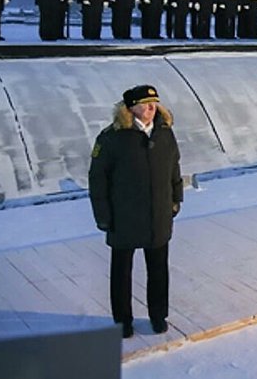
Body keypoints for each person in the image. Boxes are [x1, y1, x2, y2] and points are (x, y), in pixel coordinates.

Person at [88, 84, 182, 339]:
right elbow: (98, 180)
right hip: (124, 218)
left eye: (154, 103)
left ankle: (158, 315)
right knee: (121, 272)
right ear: (130, 108)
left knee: (159, 269)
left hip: (158, 215)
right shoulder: (112, 138)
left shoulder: (164, 133)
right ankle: (123, 321)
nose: (151, 108)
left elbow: (175, 168)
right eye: (144, 104)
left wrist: (176, 200)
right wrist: (104, 217)